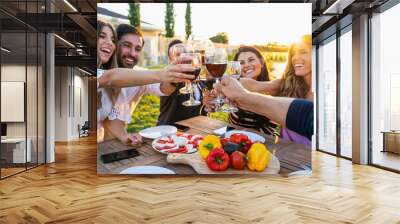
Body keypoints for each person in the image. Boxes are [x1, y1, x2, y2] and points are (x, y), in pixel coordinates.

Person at [97, 21, 193, 143]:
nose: (132, 54)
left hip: (108, 146)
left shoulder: (140, 74)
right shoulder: (104, 75)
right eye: (127, 45)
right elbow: (112, 78)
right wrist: (161, 74)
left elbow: (164, 88)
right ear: (117, 45)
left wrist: (174, 77)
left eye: (137, 49)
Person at [239, 35, 313, 144]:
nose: (295, 58)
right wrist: (220, 80)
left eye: (303, 52)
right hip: (285, 155)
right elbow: (253, 86)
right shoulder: (287, 85)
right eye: (293, 54)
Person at [204, 46, 278, 135]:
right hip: (233, 138)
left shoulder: (273, 88)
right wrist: (209, 104)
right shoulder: (232, 87)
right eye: (241, 63)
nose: (246, 65)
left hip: (264, 141)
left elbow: (272, 128)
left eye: (251, 60)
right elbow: (213, 108)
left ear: (262, 62)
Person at [215, 77, 313, 140]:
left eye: (303, 52)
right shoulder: (290, 85)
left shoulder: (278, 85)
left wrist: (244, 94)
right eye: (241, 62)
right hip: (285, 148)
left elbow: (307, 115)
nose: (296, 57)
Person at [157, 39, 203, 125]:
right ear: (171, 61)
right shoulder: (170, 79)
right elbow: (166, 86)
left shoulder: (197, 79)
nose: (183, 57)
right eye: (178, 55)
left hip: (192, 132)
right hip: (170, 132)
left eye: (185, 52)